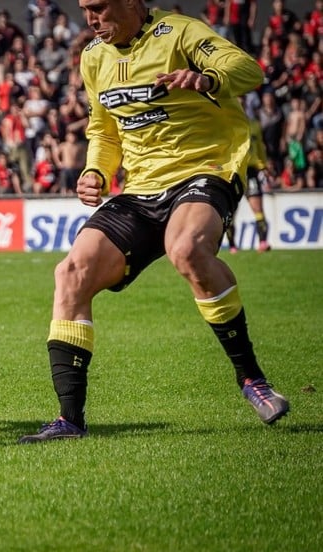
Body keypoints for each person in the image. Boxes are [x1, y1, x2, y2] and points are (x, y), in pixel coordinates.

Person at [19, 0, 289, 443]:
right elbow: (103, 130)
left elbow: (249, 70)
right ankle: (70, 420)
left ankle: (251, 379)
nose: (90, 19)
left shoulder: (180, 33)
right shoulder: (93, 57)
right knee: (70, 273)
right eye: (84, 9)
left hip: (206, 168)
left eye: (100, 8)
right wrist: (94, 171)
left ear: (132, 2)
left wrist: (208, 78)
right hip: (142, 187)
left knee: (186, 250)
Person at [226, 107, 271, 253]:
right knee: (230, 212)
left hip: (250, 171)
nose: (242, 101)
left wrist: (263, 164)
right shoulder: (227, 122)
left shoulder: (254, 124)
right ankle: (233, 246)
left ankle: (263, 242)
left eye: (244, 98)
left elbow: (260, 147)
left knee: (258, 208)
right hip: (233, 172)